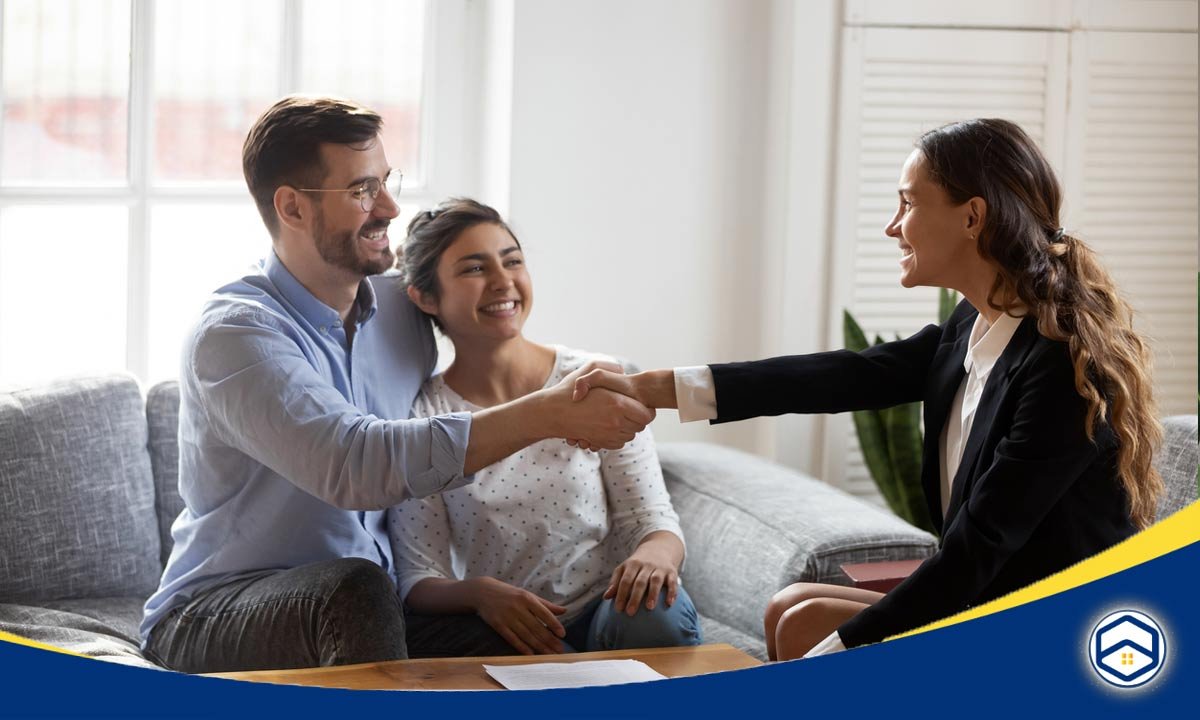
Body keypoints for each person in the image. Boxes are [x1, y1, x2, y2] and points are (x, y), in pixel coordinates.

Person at [571, 118, 1164, 660]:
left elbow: (977, 548)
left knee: (812, 630)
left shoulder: (1057, 368)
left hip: (1062, 631)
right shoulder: (973, 326)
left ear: (972, 217)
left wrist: (836, 657)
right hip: (996, 593)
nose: (891, 226)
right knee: (793, 607)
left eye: (907, 203)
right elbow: (842, 374)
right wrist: (653, 388)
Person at [140, 96, 655, 674]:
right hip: (219, 611)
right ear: (293, 208)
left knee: (547, 663)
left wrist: (590, 384)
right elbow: (358, 465)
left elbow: (490, 319)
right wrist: (546, 413)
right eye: (361, 190)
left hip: (377, 608)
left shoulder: (399, 309)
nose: (388, 206)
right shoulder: (235, 336)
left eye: (386, 181)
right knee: (355, 588)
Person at [387, 198, 702, 656]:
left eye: (512, 261)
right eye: (475, 269)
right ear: (425, 295)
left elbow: (651, 519)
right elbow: (418, 574)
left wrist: (654, 555)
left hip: (611, 609)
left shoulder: (595, 380)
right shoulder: (424, 418)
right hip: (510, 629)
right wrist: (479, 594)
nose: (503, 282)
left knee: (655, 610)